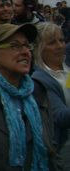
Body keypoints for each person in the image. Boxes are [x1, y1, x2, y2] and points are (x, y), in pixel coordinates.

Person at [0, 23, 58, 170]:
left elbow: (52, 142)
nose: (25, 52)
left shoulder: (38, 91)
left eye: (27, 46)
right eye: (15, 46)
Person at [32, 23, 70, 168]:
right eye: (52, 43)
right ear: (40, 48)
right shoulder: (39, 80)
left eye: (61, 40)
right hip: (63, 147)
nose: (60, 46)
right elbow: (59, 116)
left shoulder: (66, 68)